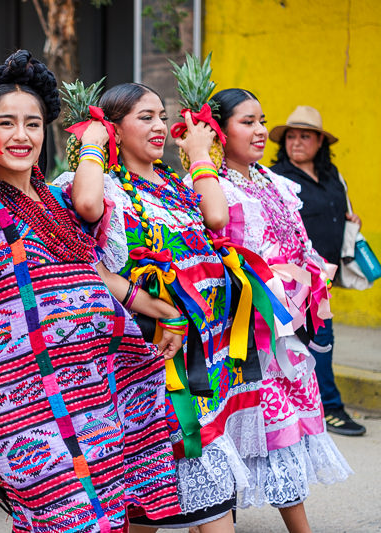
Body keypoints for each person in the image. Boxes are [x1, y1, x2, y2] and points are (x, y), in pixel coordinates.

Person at [0, 50, 184, 533]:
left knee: (110, 515)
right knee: (65, 517)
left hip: (97, 387)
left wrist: (166, 312)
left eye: (32, 124)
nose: (21, 136)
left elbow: (99, 275)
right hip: (21, 404)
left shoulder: (58, 199)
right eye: (6, 123)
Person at [65, 82, 275, 532]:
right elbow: (88, 234)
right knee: (187, 489)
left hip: (200, 358)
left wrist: (198, 152)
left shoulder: (175, 187)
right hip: (147, 358)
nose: (160, 126)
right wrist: (159, 310)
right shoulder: (105, 189)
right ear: (112, 130)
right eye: (145, 117)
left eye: (162, 115)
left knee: (155, 497)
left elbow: (216, 217)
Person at [204, 88, 352, 533]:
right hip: (241, 331)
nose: (261, 130)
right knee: (240, 431)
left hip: (286, 327)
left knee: (284, 432)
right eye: (247, 122)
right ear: (219, 130)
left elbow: (298, 242)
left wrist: (310, 278)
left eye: (261, 120)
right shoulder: (211, 186)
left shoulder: (270, 180)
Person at [269, 105, 365, 436]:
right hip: (294, 277)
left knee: (317, 338)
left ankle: (310, 405)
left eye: (305, 136)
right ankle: (331, 407)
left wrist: (350, 220)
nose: (296, 142)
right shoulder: (278, 178)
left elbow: (338, 211)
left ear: (320, 142)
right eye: (291, 137)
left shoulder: (332, 176)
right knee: (319, 338)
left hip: (326, 275)